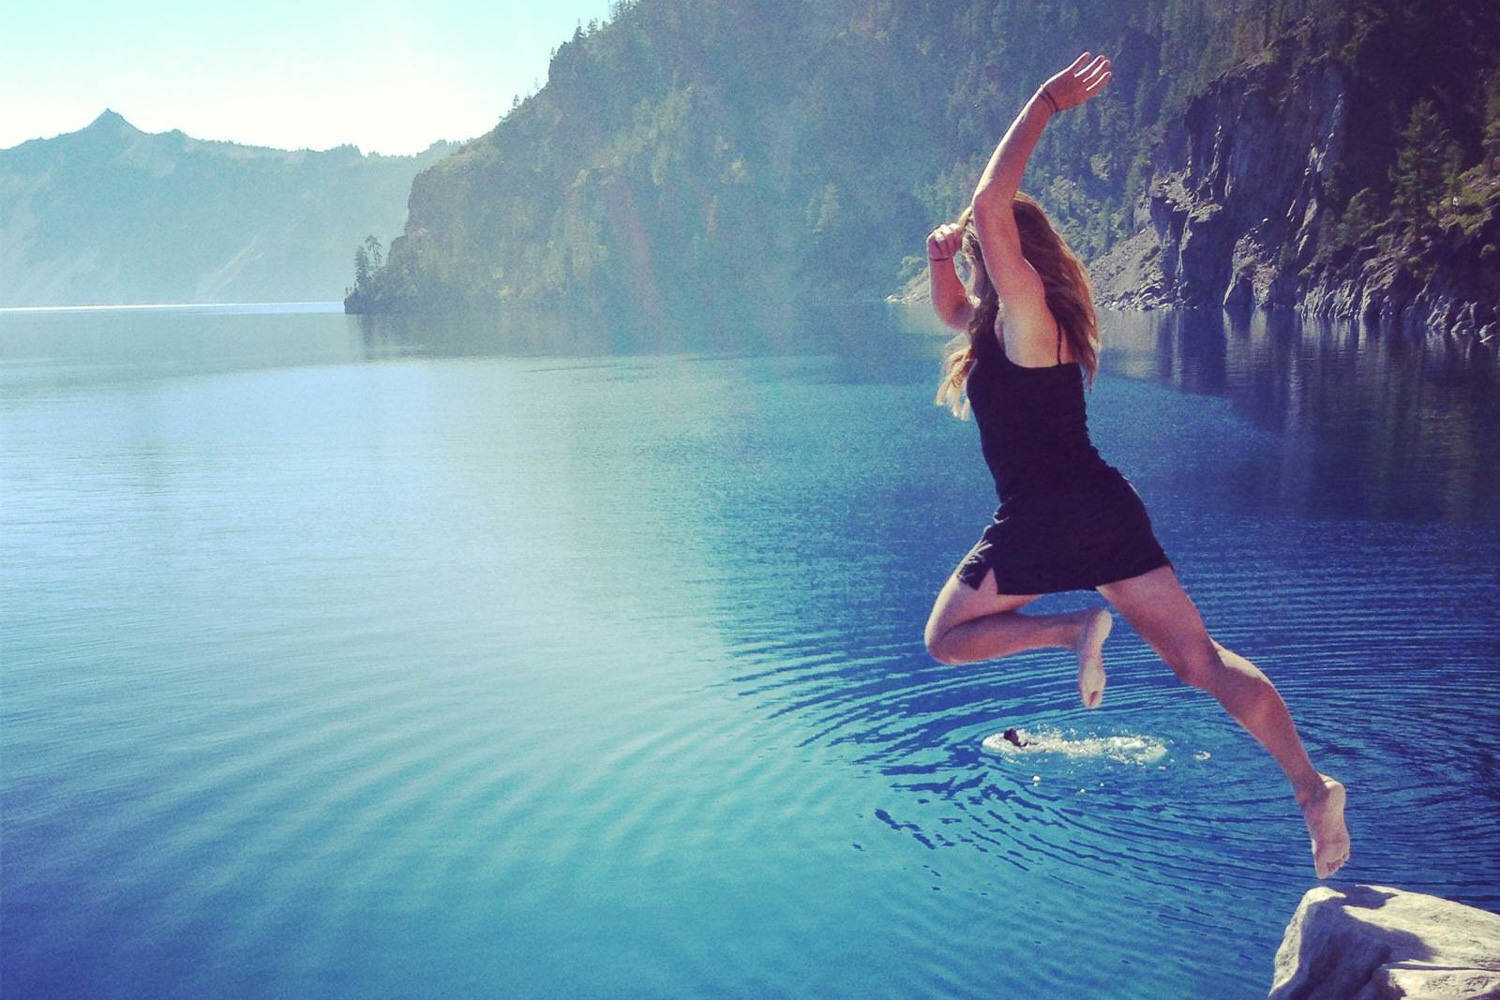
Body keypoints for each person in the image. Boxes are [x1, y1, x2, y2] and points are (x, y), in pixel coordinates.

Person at [921, 51, 1350, 879]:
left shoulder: (1028, 313)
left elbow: (988, 200)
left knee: (945, 639)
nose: (978, 256)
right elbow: (951, 307)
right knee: (1201, 663)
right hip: (1102, 509)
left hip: (1044, 517)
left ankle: (1072, 631)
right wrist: (943, 257)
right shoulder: (999, 324)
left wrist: (1045, 101)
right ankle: (1312, 789)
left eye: (983, 251)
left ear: (1016, 255)